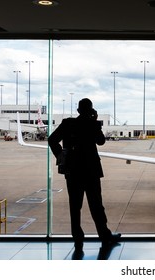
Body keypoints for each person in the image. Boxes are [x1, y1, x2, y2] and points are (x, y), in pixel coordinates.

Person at [48, 98, 120, 251]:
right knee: (96, 205)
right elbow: (101, 141)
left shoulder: (68, 123)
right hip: (91, 171)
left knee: (75, 206)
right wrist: (95, 120)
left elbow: (52, 139)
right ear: (91, 110)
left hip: (73, 171)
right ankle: (105, 235)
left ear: (78, 110)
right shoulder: (92, 124)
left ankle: (78, 238)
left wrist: (61, 155)